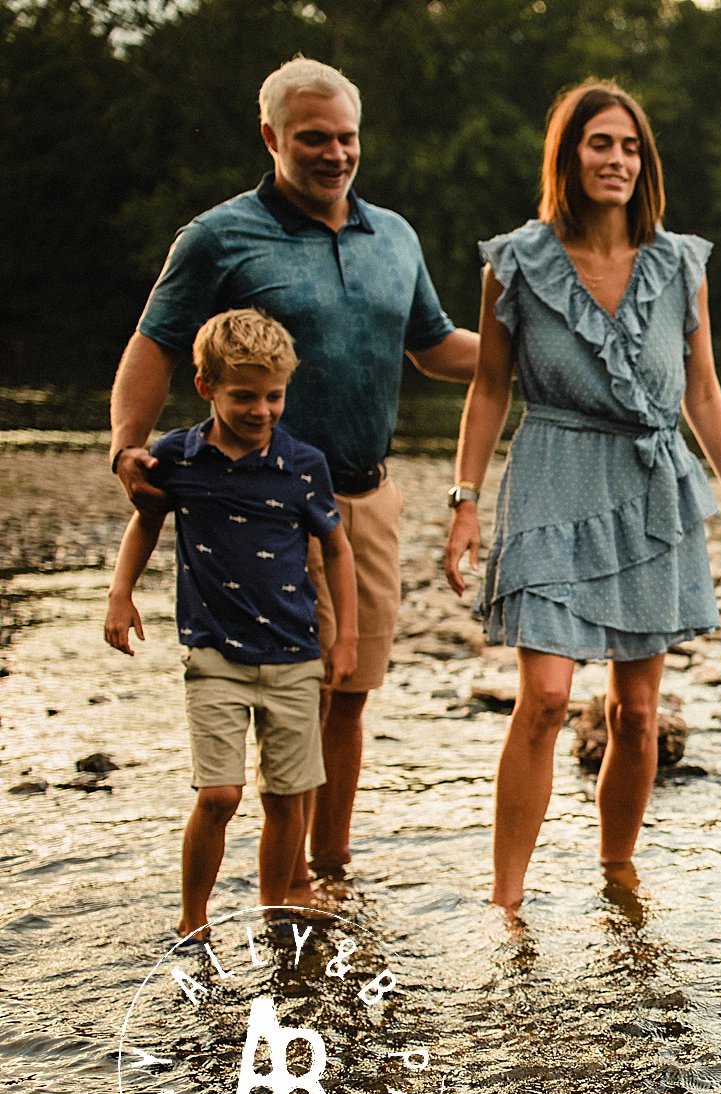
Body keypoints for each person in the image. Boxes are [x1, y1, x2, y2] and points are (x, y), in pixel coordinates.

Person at [108, 56, 478, 896]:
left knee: (348, 691)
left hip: (367, 496)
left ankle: (330, 868)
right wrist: (127, 444)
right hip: (261, 506)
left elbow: (437, 347)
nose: (336, 153)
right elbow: (155, 343)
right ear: (271, 136)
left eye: (347, 137)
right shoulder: (218, 237)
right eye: (315, 137)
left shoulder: (397, 235)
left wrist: (537, 356)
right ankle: (286, 890)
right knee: (296, 687)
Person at [443, 80, 721, 910]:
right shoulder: (515, 262)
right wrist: (463, 499)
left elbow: (703, 392)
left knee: (637, 713)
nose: (618, 160)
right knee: (548, 698)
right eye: (601, 143)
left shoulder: (680, 264)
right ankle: (507, 903)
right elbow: (489, 387)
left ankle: (616, 876)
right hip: (553, 472)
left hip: (651, 486)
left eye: (631, 147)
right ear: (569, 154)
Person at [103, 310, 358, 943]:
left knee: (286, 796)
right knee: (219, 794)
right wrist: (119, 592)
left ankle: (275, 916)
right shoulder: (178, 457)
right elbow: (147, 521)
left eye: (274, 396)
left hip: (295, 655)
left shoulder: (302, 465)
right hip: (214, 652)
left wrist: (345, 636)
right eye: (244, 396)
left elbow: (338, 549)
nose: (262, 409)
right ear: (206, 387)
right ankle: (193, 918)